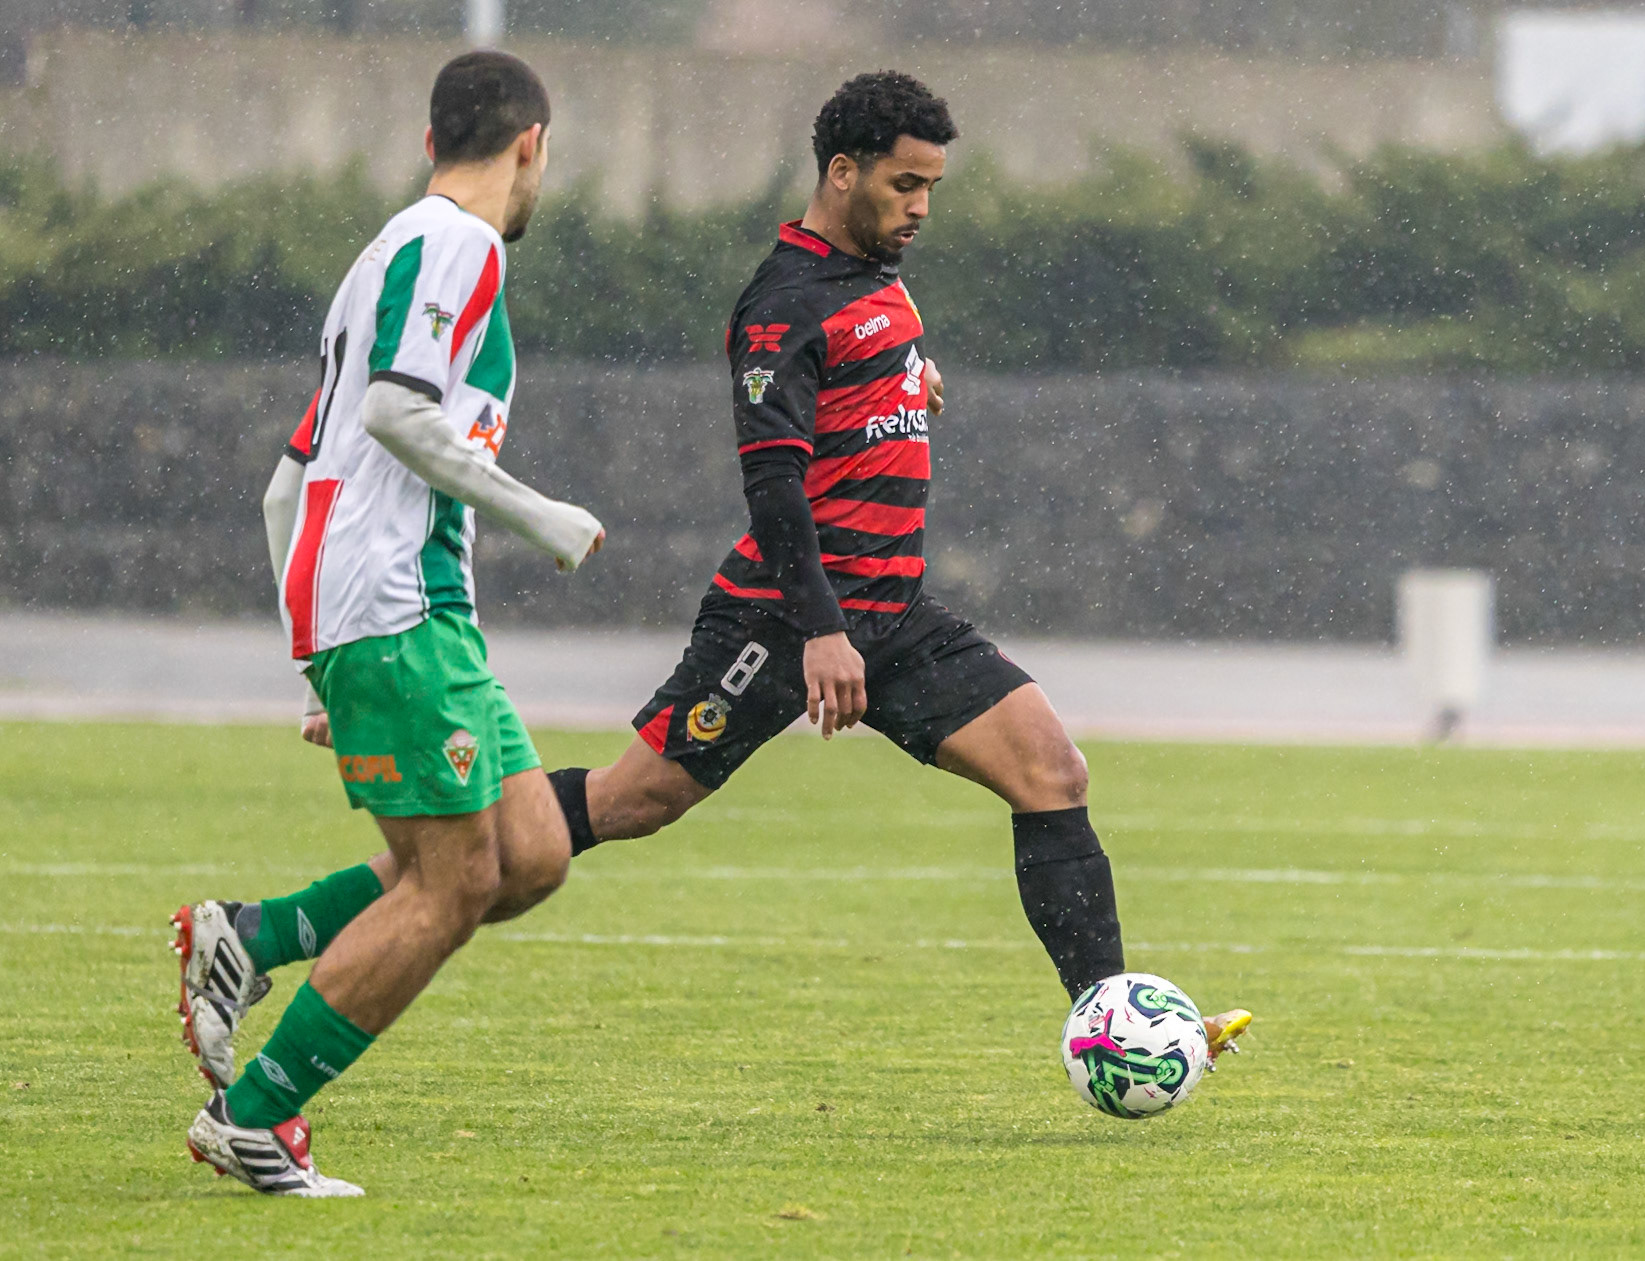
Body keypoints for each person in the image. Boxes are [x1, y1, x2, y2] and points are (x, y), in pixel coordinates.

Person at [540, 71, 1251, 1053]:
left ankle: (1113, 1024)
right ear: (842, 172)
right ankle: (438, 857)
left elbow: (861, 379)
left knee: (1052, 770)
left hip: (894, 612)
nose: (920, 207)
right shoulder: (782, 303)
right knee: (633, 802)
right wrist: (822, 632)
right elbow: (774, 486)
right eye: (904, 184)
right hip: (784, 617)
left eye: (931, 188)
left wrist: (911, 382)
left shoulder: (876, 275)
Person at [170, 49, 604, 1197]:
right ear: (531, 145)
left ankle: (253, 938)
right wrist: (543, 516)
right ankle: (254, 1117)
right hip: (399, 605)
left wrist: (314, 659)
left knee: (530, 852)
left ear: (429, 142)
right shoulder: (463, 246)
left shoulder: (381, 256)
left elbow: (287, 485)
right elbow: (395, 415)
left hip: (391, 604)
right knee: (451, 884)